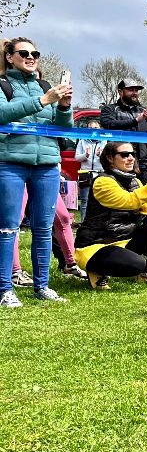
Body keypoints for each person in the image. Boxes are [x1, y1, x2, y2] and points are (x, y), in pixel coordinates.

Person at [0, 37, 74, 307]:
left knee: (44, 228)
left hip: (46, 165)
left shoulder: (45, 86)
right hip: (10, 164)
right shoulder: (3, 84)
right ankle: (5, 289)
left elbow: (63, 129)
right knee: (8, 228)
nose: (31, 57)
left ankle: (42, 286)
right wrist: (43, 100)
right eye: (24, 53)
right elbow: (1, 113)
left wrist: (64, 106)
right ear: (10, 57)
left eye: (35, 53)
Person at [74, 142, 147, 289]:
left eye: (133, 154)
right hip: (96, 245)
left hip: (124, 241)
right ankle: (97, 270)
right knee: (136, 264)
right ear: (110, 158)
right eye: (124, 155)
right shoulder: (102, 182)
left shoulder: (135, 181)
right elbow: (130, 201)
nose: (131, 158)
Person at [100, 79, 147, 180]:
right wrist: (135, 120)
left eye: (136, 90)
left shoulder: (143, 110)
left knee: (144, 194)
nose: (134, 93)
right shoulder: (110, 109)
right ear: (120, 92)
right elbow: (108, 124)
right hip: (119, 162)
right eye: (131, 90)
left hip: (143, 163)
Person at [74, 119, 105, 222]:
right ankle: (84, 223)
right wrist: (85, 155)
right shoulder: (82, 141)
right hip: (85, 173)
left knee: (99, 200)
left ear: (100, 129)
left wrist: (100, 155)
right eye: (90, 128)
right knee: (84, 201)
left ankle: (98, 223)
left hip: (100, 173)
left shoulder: (104, 141)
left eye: (95, 128)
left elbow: (108, 159)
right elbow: (77, 158)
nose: (93, 130)